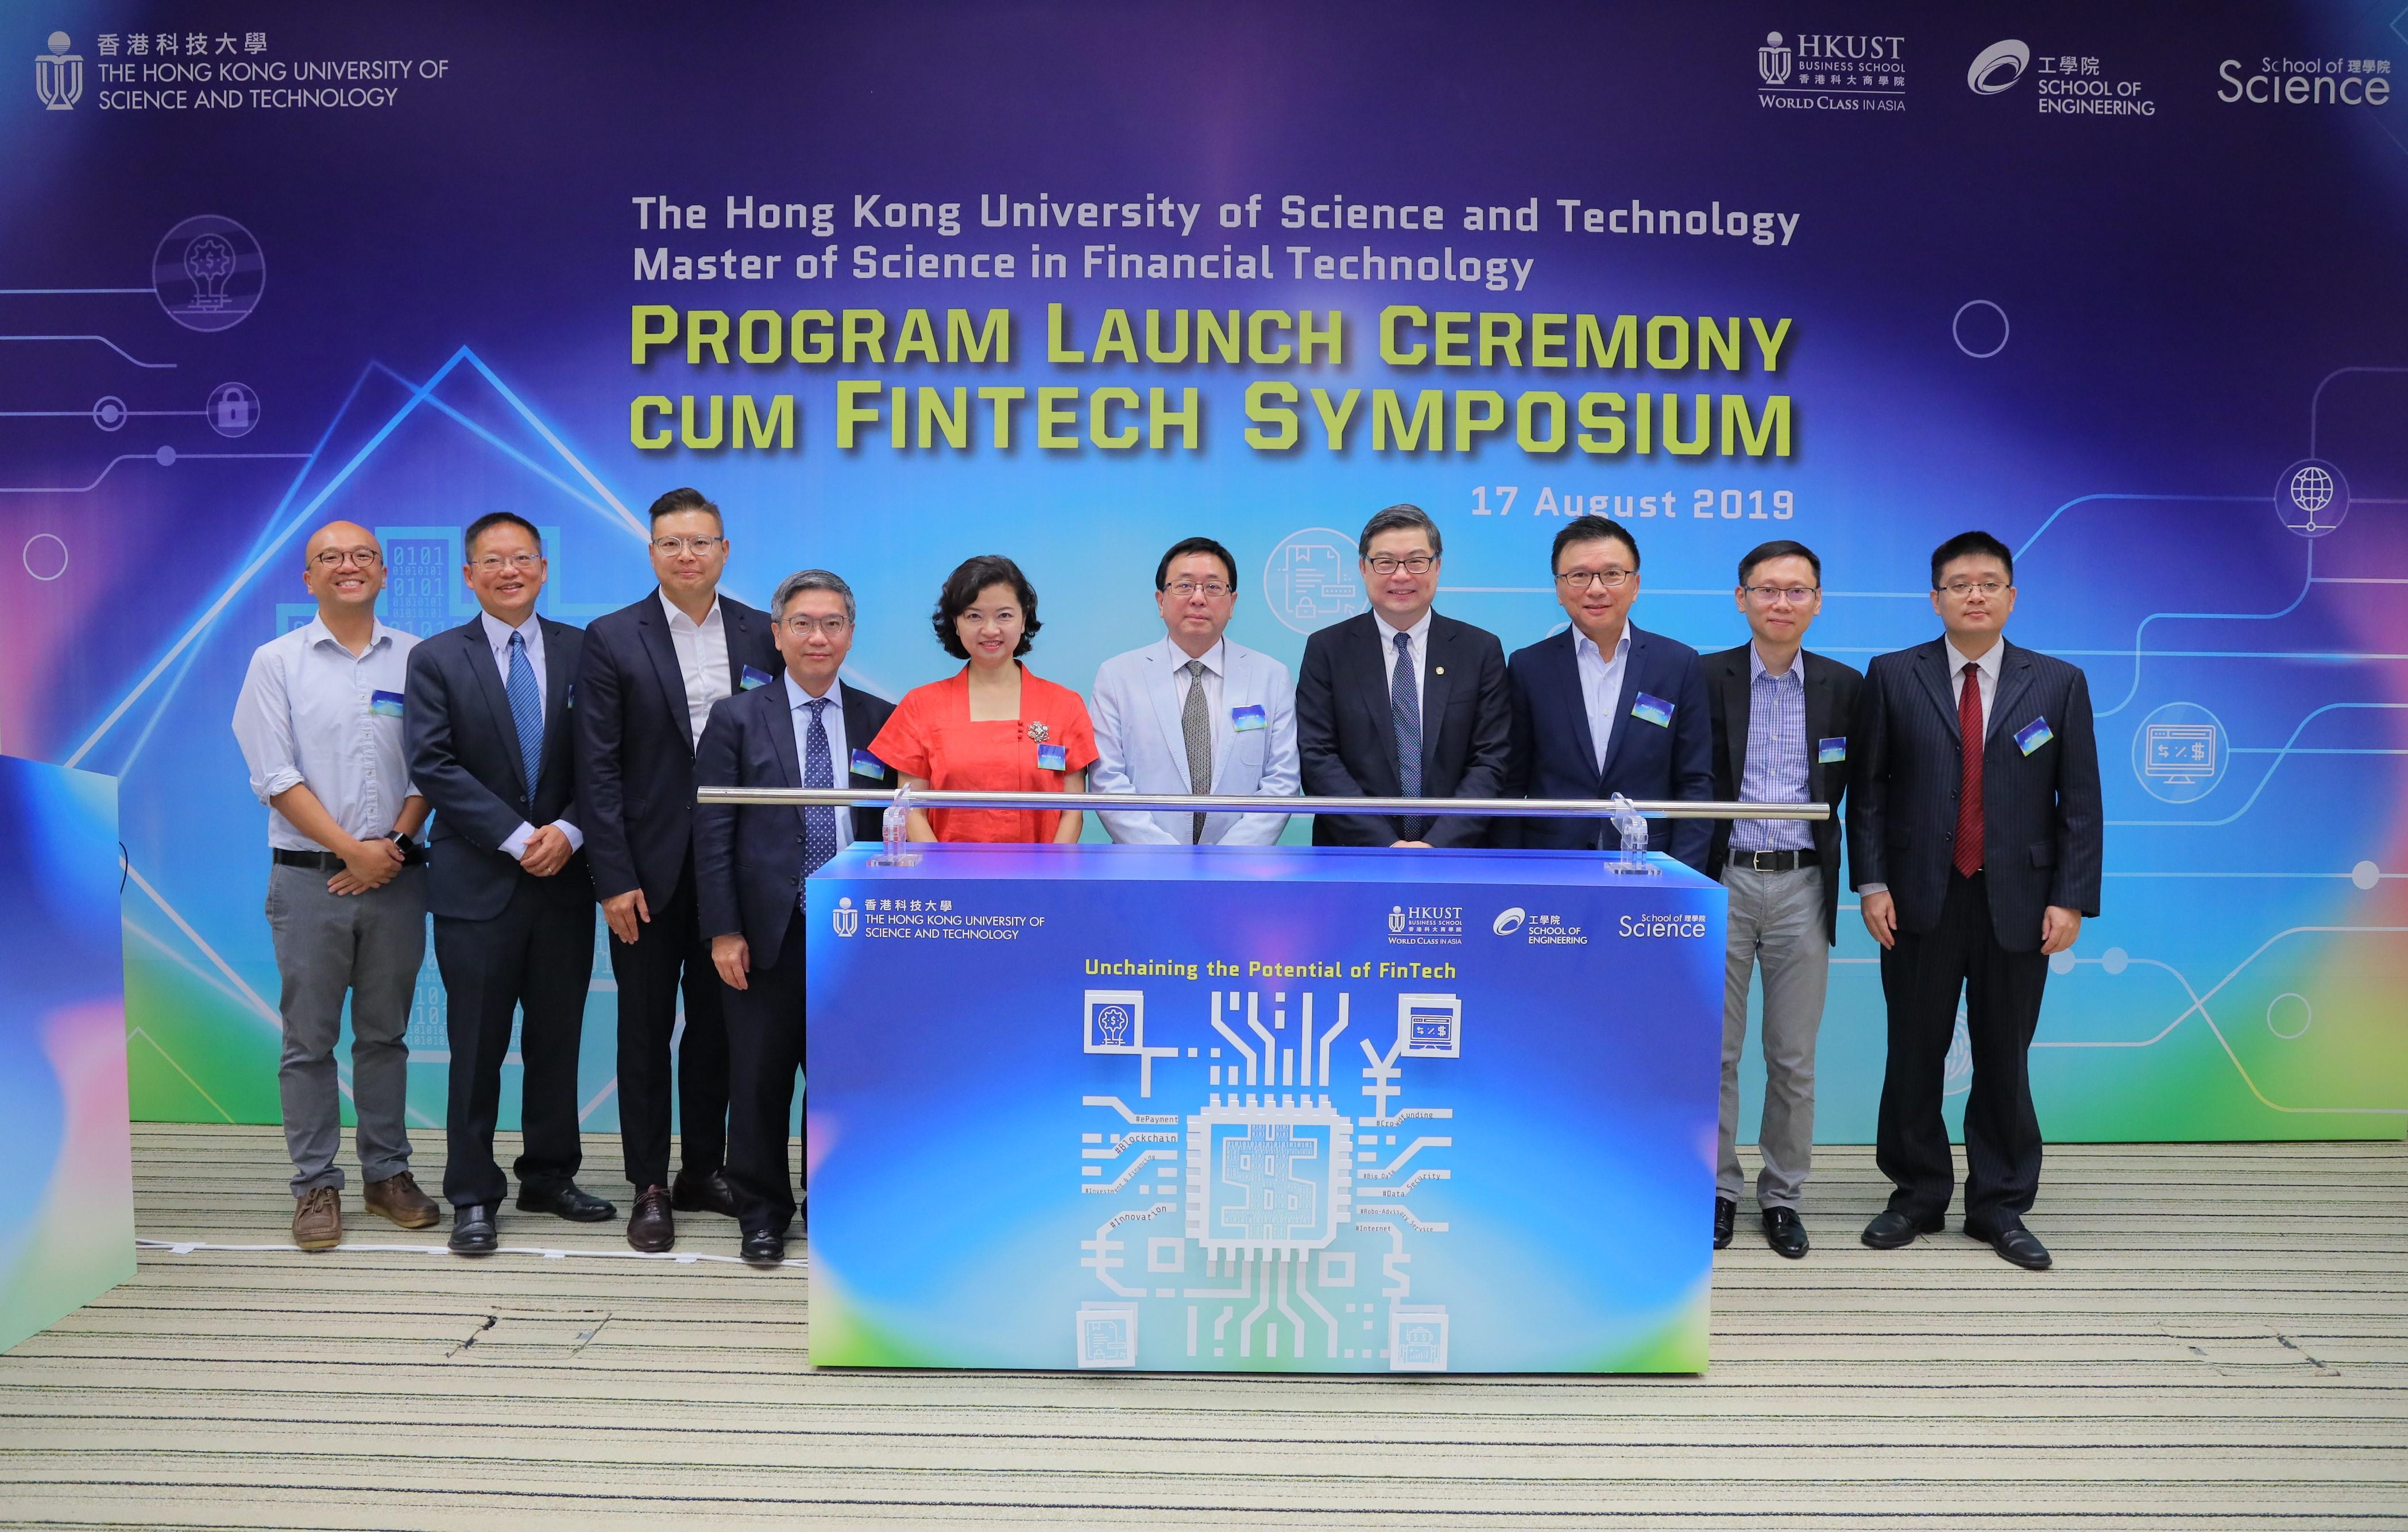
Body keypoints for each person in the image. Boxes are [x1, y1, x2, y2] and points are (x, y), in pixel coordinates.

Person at [1850, 531, 2102, 1271]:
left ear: (2010, 597)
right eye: (1958, 584)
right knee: (1913, 1051)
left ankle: (1997, 1205)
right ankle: (1915, 1194)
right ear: (1934, 598)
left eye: (1988, 583)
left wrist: (2070, 899)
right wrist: (1871, 884)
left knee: (2003, 1055)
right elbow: (1863, 794)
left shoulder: (2056, 682)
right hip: (1916, 898)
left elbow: (2079, 802)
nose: (1973, 594)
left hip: (2018, 901)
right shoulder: (1893, 675)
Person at [574, 488, 779, 1253]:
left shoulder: (766, 634)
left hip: (737, 870)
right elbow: (596, 770)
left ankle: (703, 1169)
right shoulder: (611, 638)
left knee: (721, 1031)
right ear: (652, 551)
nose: (686, 555)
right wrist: (612, 876)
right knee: (644, 1029)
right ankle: (650, 1185)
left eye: (701, 542)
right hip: (646, 877)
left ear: (725, 551)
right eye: (671, 543)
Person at [404, 511, 613, 1256]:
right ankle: (471, 1193)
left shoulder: (587, 651)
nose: (509, 571)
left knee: (557, 1042)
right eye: (493, 561)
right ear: (469, 575)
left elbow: (607, 760)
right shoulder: (434, 659)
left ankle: (550, 1175)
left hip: (564, 880)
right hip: (477, 884)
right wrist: (522, 836)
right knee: (478, 1046)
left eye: (522, 558)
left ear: (544, 566)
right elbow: (433, 765)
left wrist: (571, 831)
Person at [230, 521, 439, 1252]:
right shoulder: (275, 662)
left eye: (361, 556)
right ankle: (315, 1185)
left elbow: (430, 767)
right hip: (310, 883)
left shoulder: (420, 658)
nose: (347, 567)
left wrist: (393, 848)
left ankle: (388, 1174)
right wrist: (356, 850)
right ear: (307, 579)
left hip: (398, 879)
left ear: (383, 572)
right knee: (308, 1043)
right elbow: (274, 776)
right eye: (330, 558)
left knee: (385, 1037)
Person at [694, 569, 895, 1267]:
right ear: (777, 634)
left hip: (854, 935)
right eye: (803, 623)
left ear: (849, 632)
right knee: (758, 1076)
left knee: (845, 1077)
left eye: (833, 623)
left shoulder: (881, 719)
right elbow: (712, 830)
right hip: (762, 930)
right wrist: (722, 929)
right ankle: (760, 1211)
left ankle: (836, 1202)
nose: (818, 636)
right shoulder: (736, 718)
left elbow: (896, 828)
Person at [1701, 539, 1863, 1260]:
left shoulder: (1845, 686)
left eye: (1796, 591)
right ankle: (1716, 1190)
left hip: (1802, 882)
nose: (1780, 603)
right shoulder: (1704, 678)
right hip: (1722, 879)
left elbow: (1869, 794)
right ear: (1741, 599)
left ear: (1817, 602)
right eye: (1766, 590)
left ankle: (1782, 1195)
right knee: (1716, 1052)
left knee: (1792, 1055)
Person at [1498, 517, 1713, 865]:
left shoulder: (1678, 663)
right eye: (1579, 575)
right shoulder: (1528, 667)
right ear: (1558, 588)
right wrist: (1513, 870)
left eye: (1612, 574)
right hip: (1552, 864)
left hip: (1652, 864)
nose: (1595, 589)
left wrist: (1682, 874)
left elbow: (1695, 783)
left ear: (1636, 584)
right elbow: (1511, 783)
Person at [1296, 505, 1509, 847]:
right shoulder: (1327, 649)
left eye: (1416, 561)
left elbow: (1491, 760)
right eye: (1385, 562)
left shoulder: (1479, 650)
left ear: (1437, 566)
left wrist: (1436, 845)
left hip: (1457, 855)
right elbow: (1317, 757)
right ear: (1363, 568)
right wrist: (1386, 845)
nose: (1401, 575)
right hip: (1354, 855)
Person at [870, 555, 1098, 844]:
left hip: (1041, 879)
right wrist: (946, 879)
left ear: (1024, 618)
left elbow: (1072, 811)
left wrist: (1048, 879)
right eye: (974, 616)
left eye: (1004, 615)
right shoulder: (920, 705)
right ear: (956, 623)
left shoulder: (1064, 705)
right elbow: (911, 809)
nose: (990, 630)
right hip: (947, 882)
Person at [1091, 536, 1298, 846]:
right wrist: (1165, 857)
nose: (1198, 598)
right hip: (1145, 867)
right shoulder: (1118, 676)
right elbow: (1107, 778)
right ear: (1161, 601)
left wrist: (1229, 856)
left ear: (1233, 603)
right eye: (1184, 586)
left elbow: (1281, 779)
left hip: (1240, 869)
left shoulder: (1271, 676)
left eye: (1213, 587)